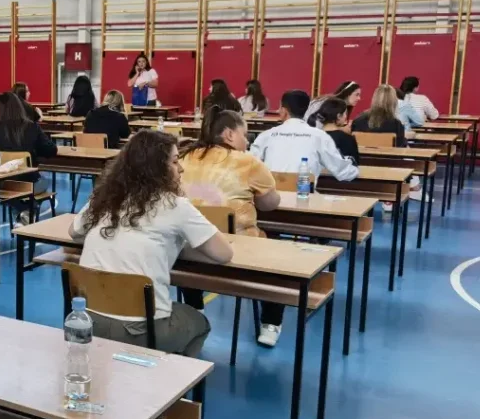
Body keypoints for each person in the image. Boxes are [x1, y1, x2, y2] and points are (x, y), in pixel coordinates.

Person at [69, 130, 233, 357]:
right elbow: (224, 254)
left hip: (88, 321)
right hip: (141, 330)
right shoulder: (175, 205)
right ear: (156, 169)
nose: (181, 168)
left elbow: (74, 232)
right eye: (175, 162)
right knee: (198, 322)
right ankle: (170, 376)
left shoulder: (104, 198)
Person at [178, 107, 283, 345]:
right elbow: (270, 204)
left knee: (191, 236)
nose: (247, 141)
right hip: (237, 250)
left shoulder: (184, 157)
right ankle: (270, 323)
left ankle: (195, 307)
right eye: (245, 135)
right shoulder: (248, 162)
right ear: (229, 135)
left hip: (189, 251)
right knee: (278, 252)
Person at [251, 90, 360, 198]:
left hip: (268, 198)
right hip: (303, 197)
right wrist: (353, 164)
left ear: (284, 111)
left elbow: (250, 166)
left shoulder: (266, 135)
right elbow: (344, 172)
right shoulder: (319, 136)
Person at [0, 93, 57, 225]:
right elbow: (51, 150)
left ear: (3, 109)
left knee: (11, 189)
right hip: (29, 183)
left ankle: (22, 211)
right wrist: (35, 156)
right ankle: (26, 210)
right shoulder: (32, 128)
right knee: (43, 182)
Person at [313, 97, 360, 165]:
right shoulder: (348, 139)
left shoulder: (313, 136)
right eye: (345, 113)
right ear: (339, 116)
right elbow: (354, 164)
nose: (346, 117)